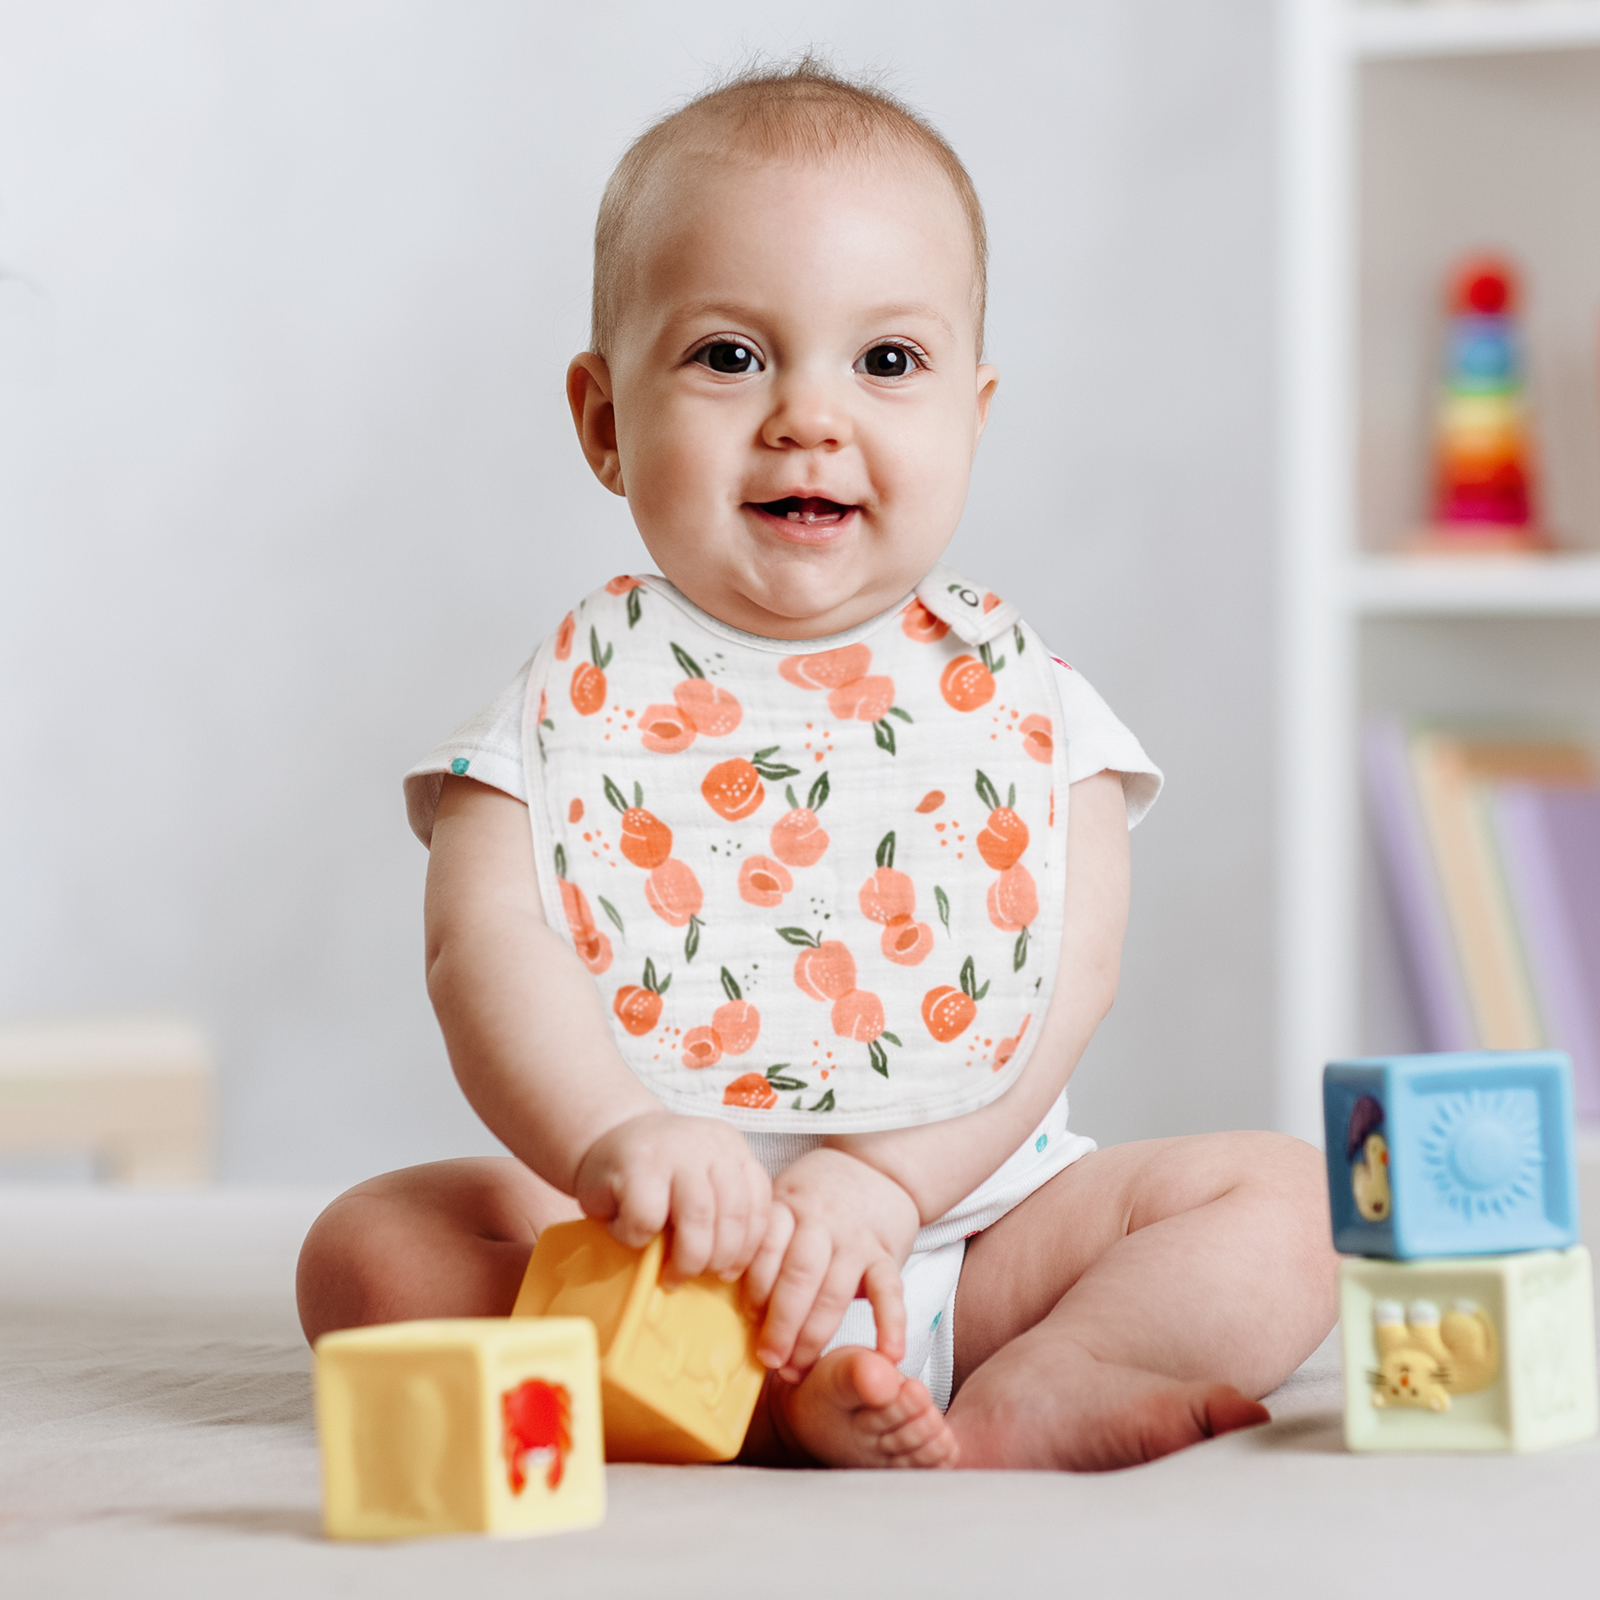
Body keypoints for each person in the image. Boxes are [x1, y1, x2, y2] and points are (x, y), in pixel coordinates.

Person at [296, 58, 1337, 1472]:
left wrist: (888, 1186)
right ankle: (765, 1391)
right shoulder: (574, 703)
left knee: (1291, 1202)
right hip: (656, 1258)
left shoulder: (1020, 707)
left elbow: (1060, 985)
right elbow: (481, 949)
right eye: (729, 356)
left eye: (886, 362)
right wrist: (617, 1138)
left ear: (971, 413)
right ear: (605, 421)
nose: (808, 414)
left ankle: (1054, 1379)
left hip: (977, 1247)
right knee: (374, 1250)